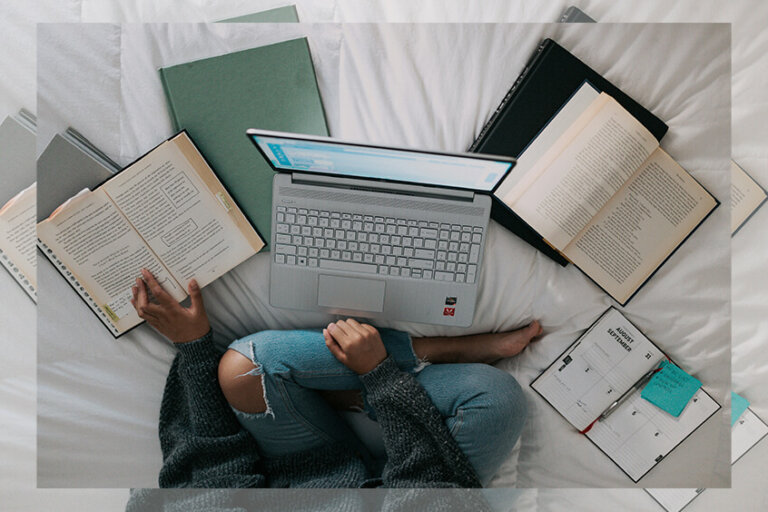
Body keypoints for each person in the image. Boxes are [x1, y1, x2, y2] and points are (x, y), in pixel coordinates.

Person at [131, 268, 541, 489]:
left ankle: (422, 353)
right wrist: (379, 377)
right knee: (498, 398)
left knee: (245, 367)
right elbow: (427, 490)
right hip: (421, 490)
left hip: (306, 470)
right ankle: (367, 389)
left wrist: (195, 346)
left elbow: (212, 472)